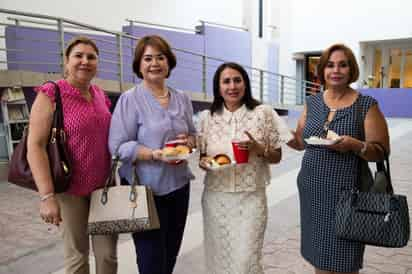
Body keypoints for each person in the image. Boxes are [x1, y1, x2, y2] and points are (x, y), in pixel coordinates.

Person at [287, 44, 390, 274]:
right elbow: (302, 141)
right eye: (330, 65)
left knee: (344, 261)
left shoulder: (366, 105)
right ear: (322, 70)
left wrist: (355, 145)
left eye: (342, 65)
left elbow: (381, 151)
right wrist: (283, 138)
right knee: (319, 259)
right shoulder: (312, 103)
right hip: (312, 193)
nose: (336, 70)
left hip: (348, 195)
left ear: (351, 70)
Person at [27, 36, 118, 274]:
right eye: (78, 56)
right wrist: (47, 197)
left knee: (108, 256)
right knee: (77, 257)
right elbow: (35, 146)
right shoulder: (51, 94)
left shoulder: (100, 94)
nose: (85, 61)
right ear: (66, 61)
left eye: (91, 57)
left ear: (97, 63)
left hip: (104, 188)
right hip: (69, 191)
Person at [108, 35, 196, 274]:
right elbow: (117, 147)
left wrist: (188, 142)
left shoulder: (182, 99)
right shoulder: (129, 99)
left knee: (170, 254)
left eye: (160, 57)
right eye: (148, 58)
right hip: (144, 192)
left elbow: (192, 135)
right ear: (139, 65)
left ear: (169, 63)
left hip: (178, 187)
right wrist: (153, 154)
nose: (154, 63)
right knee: (151, 261)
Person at [198, 62, 292, 274]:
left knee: (246, 262)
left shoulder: (263, 113)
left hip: (251, 198)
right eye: (226, 81)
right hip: (216, 199)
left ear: (245, 84)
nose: (232, 86)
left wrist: (259, 148)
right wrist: (205, 163)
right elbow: (203, 158)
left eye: (237, 80)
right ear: (218, 87)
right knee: (218, 260)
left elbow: (276, 156)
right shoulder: (207, 118)